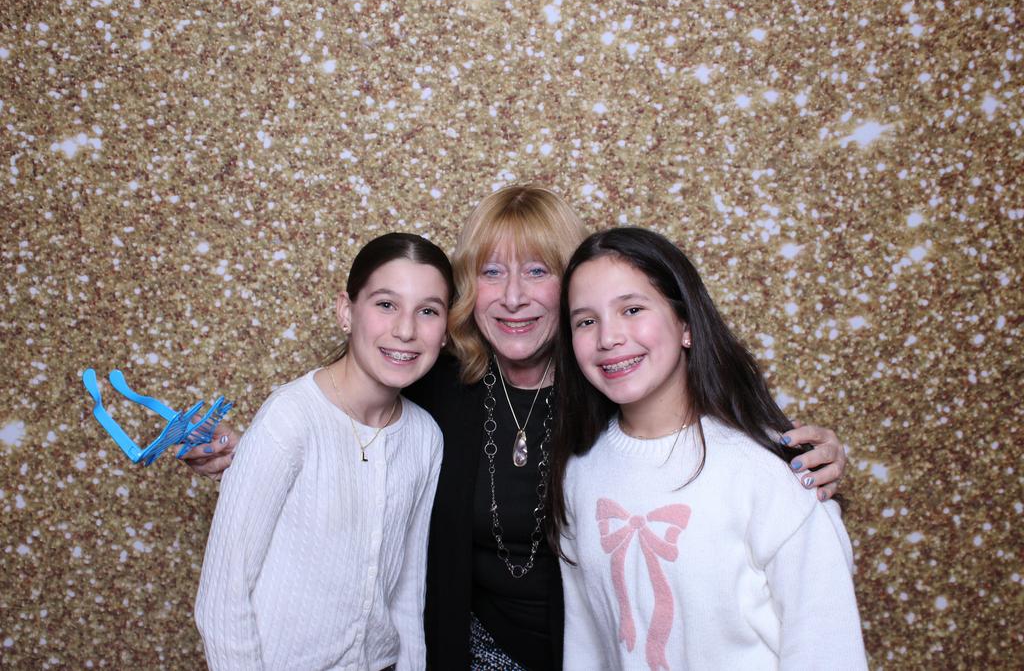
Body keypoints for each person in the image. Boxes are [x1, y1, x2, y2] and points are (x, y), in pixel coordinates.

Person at [184, 185, 851, 670]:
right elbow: (353, 403)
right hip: (470, 651)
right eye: (491, 272)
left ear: (572, 283)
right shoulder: (438, 382)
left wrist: (808, 457)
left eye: (537, 271)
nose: (512, 296)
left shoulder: (612, 386)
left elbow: (706, 442)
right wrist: (252, 453)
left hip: (591, 652)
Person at [548, 227, 866, 670]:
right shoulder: (579, 471)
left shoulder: (767, 472)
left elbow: (827, 652)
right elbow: (586, 646)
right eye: (586, 321)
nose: (608, 337)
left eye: (632, 309)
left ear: (686, 326)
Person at [193, 233, 454, 671]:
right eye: (386, 304)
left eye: (428, 311)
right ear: (346, 312)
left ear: (445, 331)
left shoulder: (425, 437)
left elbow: (408, 595)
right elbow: (222, 600)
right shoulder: (289, 418)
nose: (406, 330)